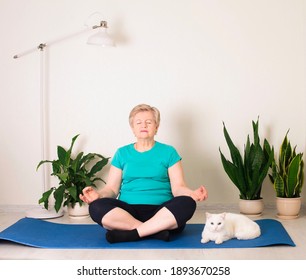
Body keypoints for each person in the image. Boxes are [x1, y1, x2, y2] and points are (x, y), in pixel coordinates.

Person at [80, 104, 208, 243]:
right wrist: (98, 195)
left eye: (149, 122)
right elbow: (111, 189)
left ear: (156, 127)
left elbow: (178, 187)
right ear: (133, 128)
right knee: (96, 207)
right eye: (139, 122)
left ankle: (131, 234)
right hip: (126, 213)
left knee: (187, 203)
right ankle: (155, 232)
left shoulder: (169, 152)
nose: (144, 125)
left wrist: (191, 194)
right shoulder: (122, 153)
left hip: (162, 212)